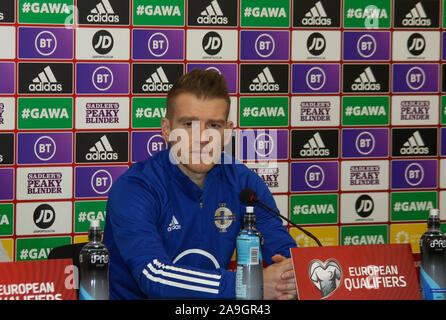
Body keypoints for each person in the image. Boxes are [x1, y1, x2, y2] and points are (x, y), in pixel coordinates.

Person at [103, 69, 298, 299]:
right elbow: (153, 276)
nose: (202, 137)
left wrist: (291, 279)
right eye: (188, 124)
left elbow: (285, 255)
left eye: (214, 125)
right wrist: (249, 284)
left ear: (227, 132)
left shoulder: (244, 183)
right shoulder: (135, 188)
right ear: (166, 130)